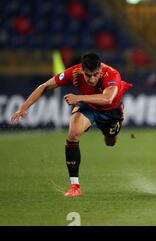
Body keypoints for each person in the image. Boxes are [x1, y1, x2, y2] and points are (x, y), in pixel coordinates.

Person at [10, 53, 132, 196]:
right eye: (88, 75)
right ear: (82, 71)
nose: (92, 79)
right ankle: (75, 186)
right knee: (73, 133)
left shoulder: (111, 74)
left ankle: (111, 131)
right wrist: (23, 108)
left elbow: (108, 98)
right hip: (89, 106)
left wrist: (78, 97)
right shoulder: (73, 73)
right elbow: (44, 86)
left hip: (111, 111)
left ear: (100, 70)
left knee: (110, 141)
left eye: (95, 75)